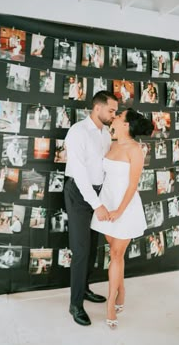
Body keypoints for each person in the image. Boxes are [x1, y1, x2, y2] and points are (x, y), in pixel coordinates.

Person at [91, 108, 154, 329]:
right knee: (114, 251)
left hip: (125, 207)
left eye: (119, 116)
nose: (114, 117)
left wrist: (119, 211)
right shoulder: (111, 142)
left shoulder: (136, 150)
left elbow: (133, 185)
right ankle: (122, 288)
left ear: (126, 124)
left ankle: (110, 304)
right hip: (106, 203)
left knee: (116, 254)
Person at [64, 90, 118, 326]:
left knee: (94, 246)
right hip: (78, 192)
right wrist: (96, 204)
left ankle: (84, 288)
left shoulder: (106, 133)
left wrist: (104, 198)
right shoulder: (77, 132)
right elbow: (79, 173)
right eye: (111, 110)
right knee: (81, 249)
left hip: (98, 193)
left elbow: (104, 169)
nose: (114, 115)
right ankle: (75, 304)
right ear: (97, 108)